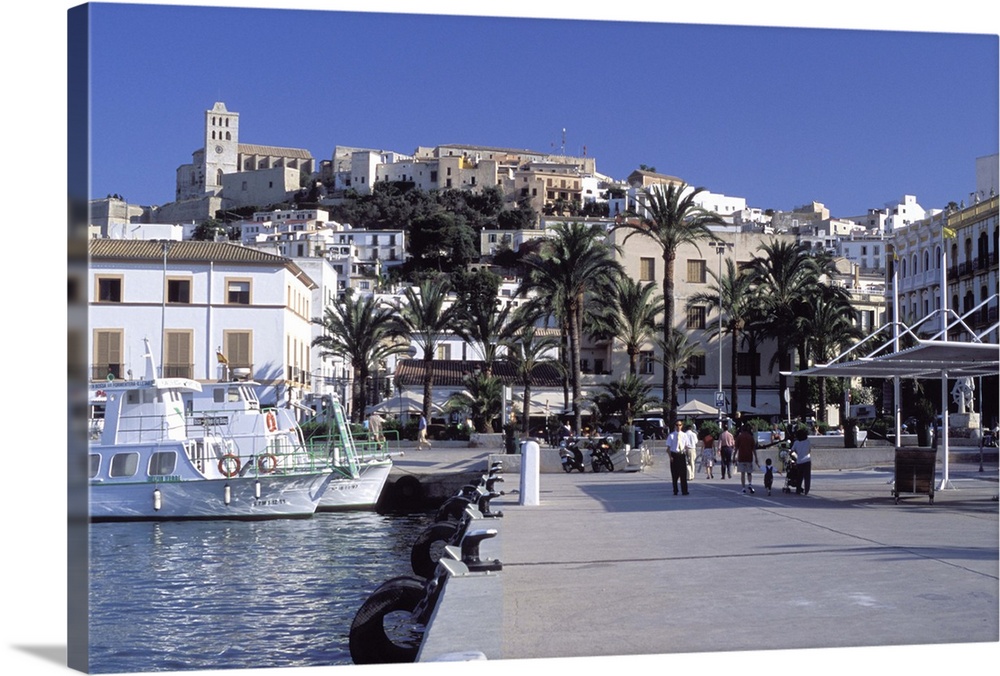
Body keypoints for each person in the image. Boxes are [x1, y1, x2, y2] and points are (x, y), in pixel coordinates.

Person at [665, 420, 691, 495]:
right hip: (674, 455)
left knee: (683, 474)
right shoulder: (671, 435)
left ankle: (684, 490)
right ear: (675, 426)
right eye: (677, 425)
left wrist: (688, 456)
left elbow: (687, 446)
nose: (678, 426)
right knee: (674, 474)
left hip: (682, 455)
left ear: (682, 426)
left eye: (680, 425)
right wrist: (670, 457)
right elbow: (668, 448)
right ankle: (675, 490)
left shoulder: (684, 435)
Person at [734, 424, 760, 494]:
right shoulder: (751, 437)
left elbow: (736, 448)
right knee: (749, 472)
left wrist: (734, 457)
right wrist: (756, 458)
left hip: (741, 457)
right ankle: (750, 483)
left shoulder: (739, 437)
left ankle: (743, 488)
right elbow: (753, 449)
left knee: (743, 473)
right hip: (749, 457)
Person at [790, 427, 812, 495]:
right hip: (807, 461)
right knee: (807, 477)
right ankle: (806, 491)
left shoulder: (796, 442)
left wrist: (796, 456)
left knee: (799, 477)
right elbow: (809, 450)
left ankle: (798, 490)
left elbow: (791, 451)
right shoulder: (807, 442)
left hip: (799, 461)